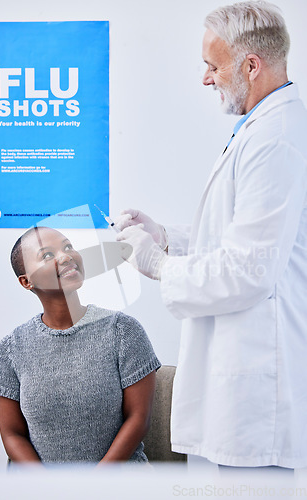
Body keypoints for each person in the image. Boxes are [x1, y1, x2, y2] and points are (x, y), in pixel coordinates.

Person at [115, 1, 307, 468]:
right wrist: (165, 237)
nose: (206, 78)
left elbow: (248, 270)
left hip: (258, 397)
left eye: (212, 65)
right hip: (241, 390)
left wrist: (159, 265)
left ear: (251, 64)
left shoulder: (276, 138)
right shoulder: (261, 130)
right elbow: (236, 237)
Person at [0, 226, 161, 465]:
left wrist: (90, 486)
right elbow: (12, 435)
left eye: (68, 247)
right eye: (47, 255)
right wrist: (52, 489)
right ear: (26, 281)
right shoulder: (10, 350)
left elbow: (139, 418)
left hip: (118, 484)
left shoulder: (122, 330)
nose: (66, 256)